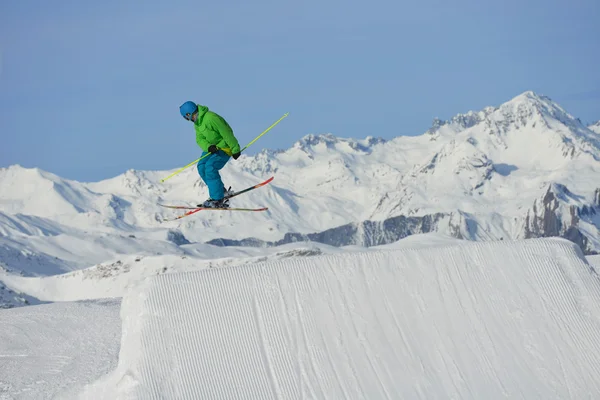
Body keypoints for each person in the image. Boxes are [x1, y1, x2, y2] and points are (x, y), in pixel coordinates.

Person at [179, 101, 242, 208]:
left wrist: (235, 148)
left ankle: (217, 199)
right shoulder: (198, 123)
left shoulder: (210, 118)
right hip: (212, 148)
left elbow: (226, 132)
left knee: (210, 167)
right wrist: (208, 147)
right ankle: (220, 191)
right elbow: (199, 139)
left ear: (188, 114)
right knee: (201, 167)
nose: (187, 120)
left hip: (224, 147)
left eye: (186, 117)